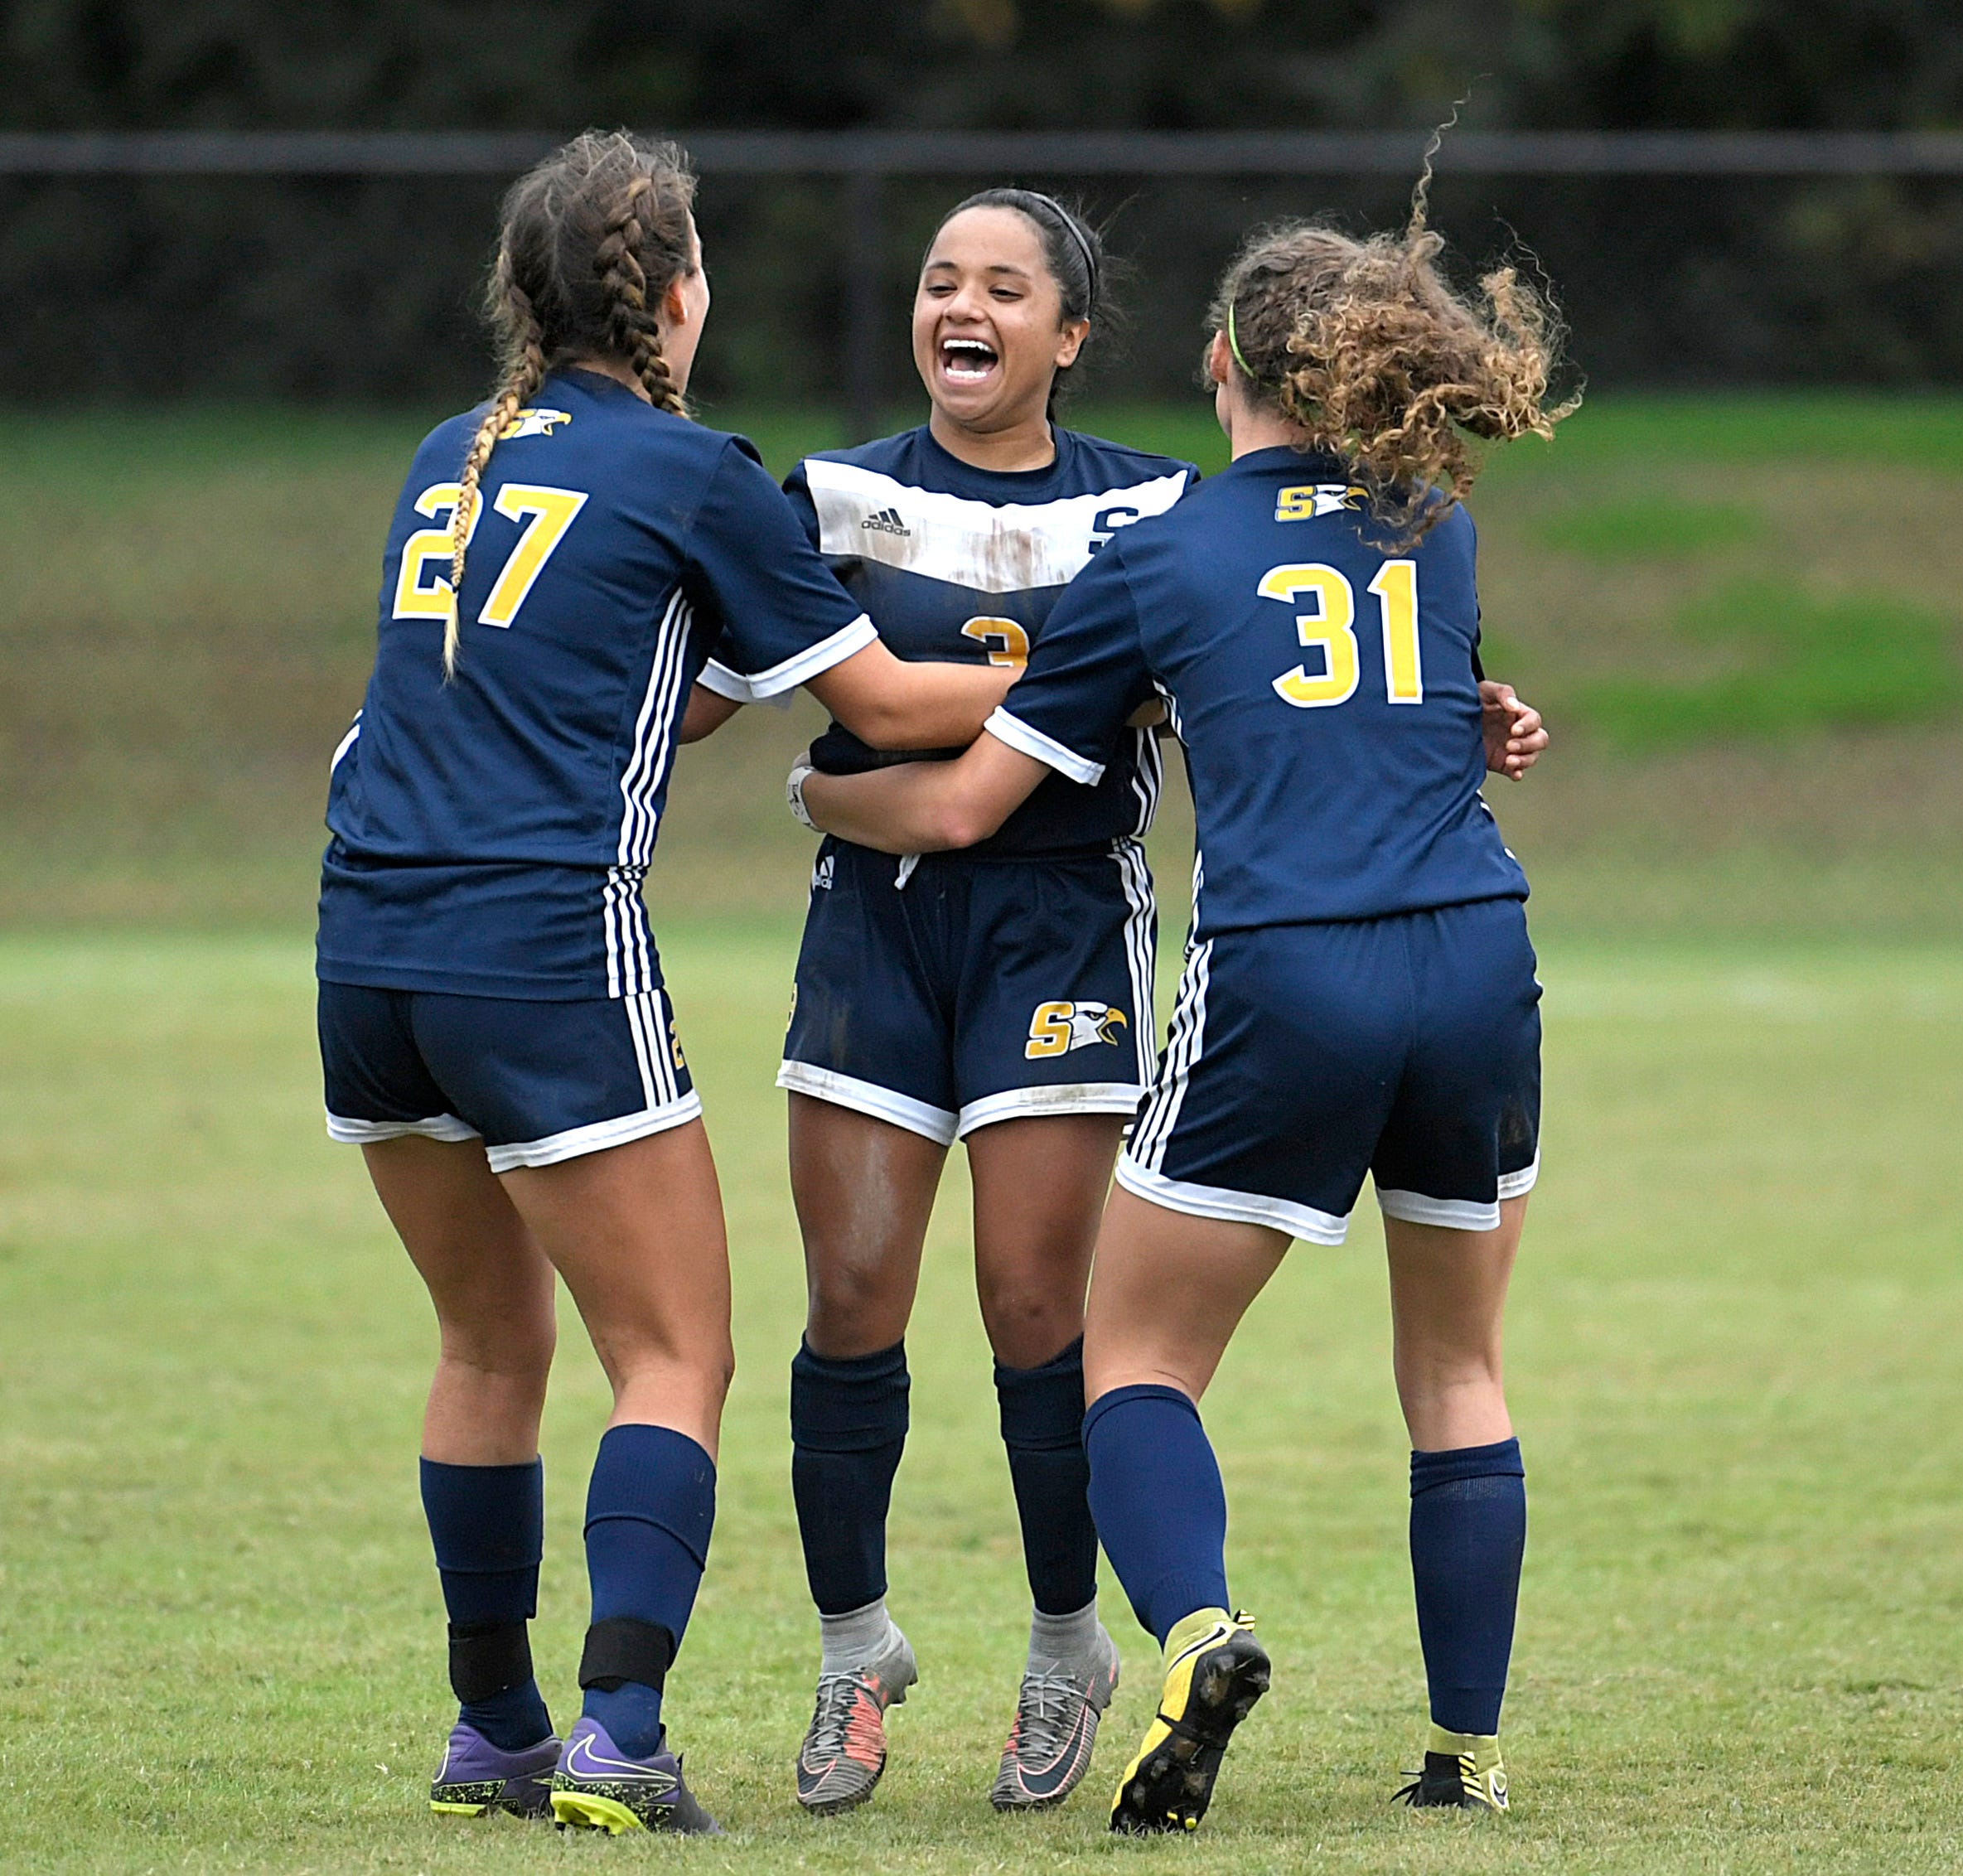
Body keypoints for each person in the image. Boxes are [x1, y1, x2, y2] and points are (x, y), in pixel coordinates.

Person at [694, 188, 1548, 1816]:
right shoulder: (1434, 519)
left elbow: (965, 793)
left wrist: (832, 794)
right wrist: (1478, 707)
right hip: (1458, 957)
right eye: (940, 275)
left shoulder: (1159, 531)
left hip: (1186, 945)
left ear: (1148, 349)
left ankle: (1135, 1635)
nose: (966, 302)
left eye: (1006, 284)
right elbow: (1380, 687)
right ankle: (1461, 1757)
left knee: (1099, 1339)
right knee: (1449, 1372)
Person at [312, 131, 1013, 1837]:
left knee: (489, 1340)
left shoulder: (443, 455)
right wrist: (1052, 652)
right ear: (677, 298)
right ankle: (620, 1728)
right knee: (672, 1354)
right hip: (541, 947)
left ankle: (498, 1732)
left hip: (364, 943)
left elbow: (616, 666)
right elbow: (898, 707)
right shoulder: (695, 475)